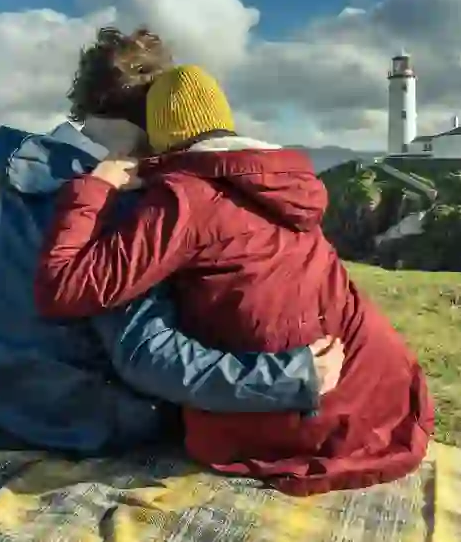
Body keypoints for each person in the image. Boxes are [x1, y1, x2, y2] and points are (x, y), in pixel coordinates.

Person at [0, 29, 344, 455]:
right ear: (155, 119)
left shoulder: (33, 166)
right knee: (205, 417)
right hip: (62, 421)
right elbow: (146, 354)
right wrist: (288, 376)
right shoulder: (112, 198)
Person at [33, 62, 435, 495]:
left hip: (312, 410)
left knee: (191, 424)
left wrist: (95, 188)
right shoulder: (280, 180)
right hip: (386, 390)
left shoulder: (184, 199)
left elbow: (64, 289)